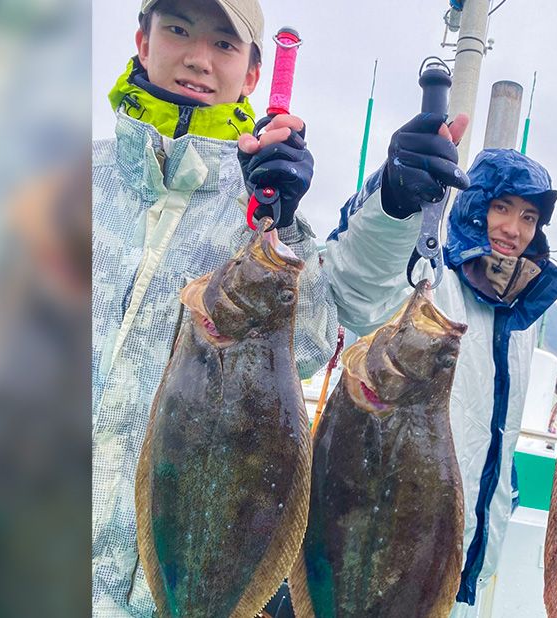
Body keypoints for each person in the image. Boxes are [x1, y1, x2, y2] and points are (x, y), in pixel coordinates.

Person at [91, 0, 337, 615]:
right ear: (143, 42)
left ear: (253, 74)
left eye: (225, 45)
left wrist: (282, 226)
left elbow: (309, 345)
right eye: (178, 30)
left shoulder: (259, 215)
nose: (199, 59)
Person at [323, 111, 557, 614]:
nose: (514, 229)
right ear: (476, 204)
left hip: (465, 557)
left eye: (529, 217)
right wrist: (392, 192)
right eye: (503, 207)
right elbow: (365, 284)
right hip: (390, 535)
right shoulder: (428, 277)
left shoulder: (521, 318)